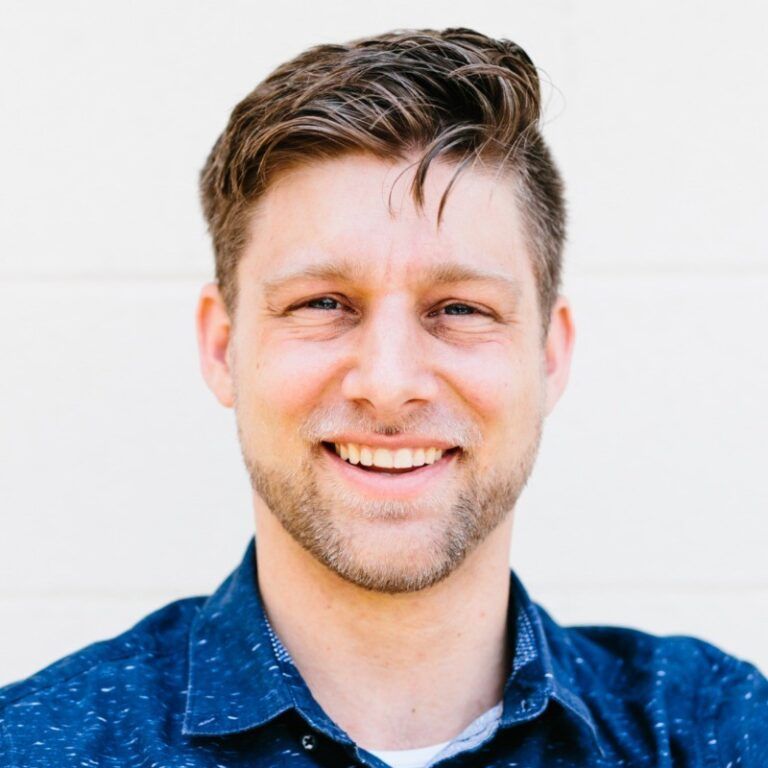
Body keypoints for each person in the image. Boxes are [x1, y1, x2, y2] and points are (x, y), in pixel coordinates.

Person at [1, 26, 765, 768]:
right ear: (221, 345)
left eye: (460, 309)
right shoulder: (38, 745)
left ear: (549, 355)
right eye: (323, 304)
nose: (390, 384)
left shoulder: (714, 729)